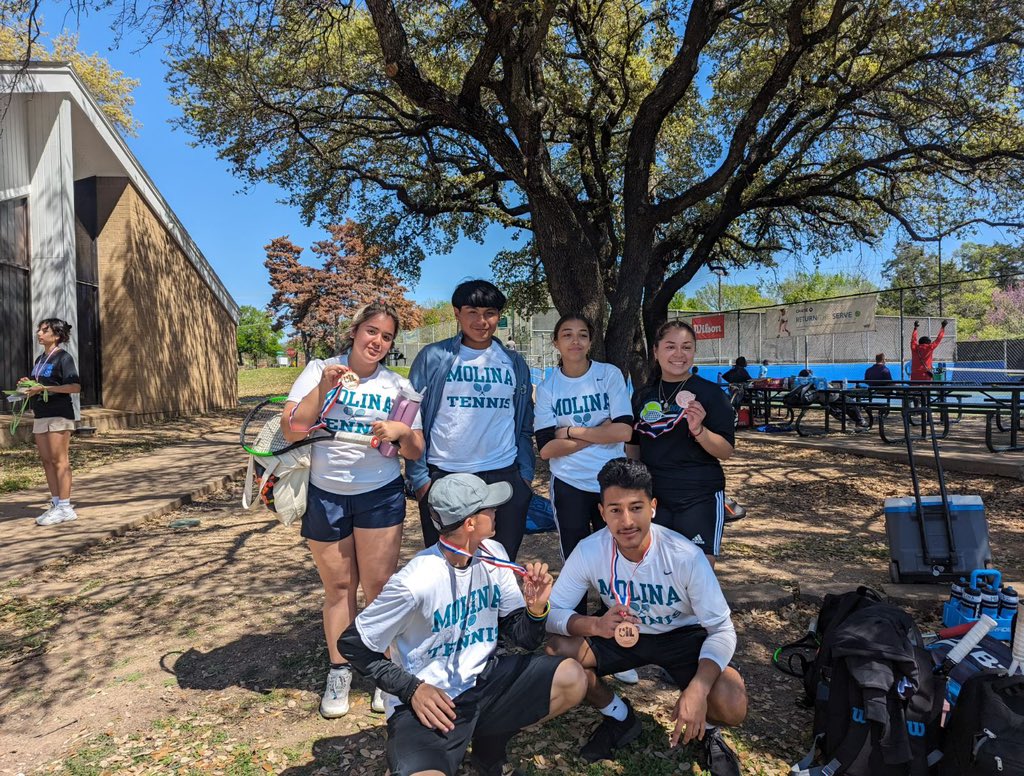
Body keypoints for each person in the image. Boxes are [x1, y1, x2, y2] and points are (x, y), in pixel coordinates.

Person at [339, 473, 587, 776]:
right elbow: (353, 644)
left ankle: (488, 748)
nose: (497, 511)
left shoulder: (493, 554)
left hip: (484, 680)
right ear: (470, 523)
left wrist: (535, 610)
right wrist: (412, 689)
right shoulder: (416, 581)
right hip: (431, 701)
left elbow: (521, 637)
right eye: (490, 507)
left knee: (572, 678)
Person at [545, 458, 747, 774]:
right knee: (559, 650)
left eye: (636, 507)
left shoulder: (685, 555)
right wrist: (594, 624)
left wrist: (698, 689)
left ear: (653, 507)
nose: (626, 521)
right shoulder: (589, 550)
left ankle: (708, 730)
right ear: (602, 513)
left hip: (681, 635)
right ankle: (619, 716)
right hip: (620, 631)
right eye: (615, 510)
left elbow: (722, 629)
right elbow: (553, 613)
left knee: (731, 701)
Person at [282, 302, 425, 719]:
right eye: (371, 332)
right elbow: (293, 426)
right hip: (326, 494)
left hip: (379, 494)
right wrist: (325, 388)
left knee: (379, 588)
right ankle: (340, 668)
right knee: (340, 589)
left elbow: (416, 449)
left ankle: (383, 671)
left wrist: (401, 433)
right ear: (355, 332)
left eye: (386, 337)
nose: (377, 341)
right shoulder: (320, 369)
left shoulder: (397, 386)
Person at [407, 279, 535, 561]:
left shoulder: (513, 362)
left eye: (489, 313)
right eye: (472, 313)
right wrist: (421, 481)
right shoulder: (434, 357)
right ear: (456, 313)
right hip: (446, 476)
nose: (481, 321)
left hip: (504, 476)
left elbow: (524, 424)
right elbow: (410, 420)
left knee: (499, 565)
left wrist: (524, 477)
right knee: (449, 567)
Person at [628, 320, 735, 567]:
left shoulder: (711, 394)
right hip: (653, 494)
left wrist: (699, 431)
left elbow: (726, 450)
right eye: (670, 347)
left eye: (686, 347)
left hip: (699, 494)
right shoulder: (643, 395)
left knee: (698, 565)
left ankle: (699, 608)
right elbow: (634, 446)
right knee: (653, 563)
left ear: (694, 351)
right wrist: (634, 486)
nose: (679, 354)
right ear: (655, 352)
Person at [23, 319, 82, 526]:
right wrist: (28, 386)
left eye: (44, 330)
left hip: (59, 415)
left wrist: (45, 389)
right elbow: (39, 384)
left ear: (56, 335)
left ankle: (66, 507)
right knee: (47, 461)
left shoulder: (64, 358)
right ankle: (57, 504)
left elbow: (74, 387)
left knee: (60, 461)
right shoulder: (40, 359)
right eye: (39, 329)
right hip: (41, 415)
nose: (39, 333)